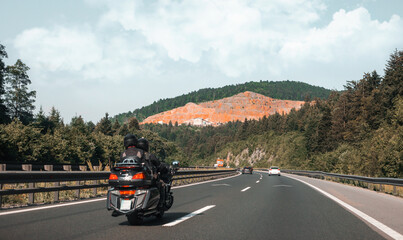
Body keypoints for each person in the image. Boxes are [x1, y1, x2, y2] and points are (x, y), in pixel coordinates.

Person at [136, 137, 171, 208]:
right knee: (162, 185)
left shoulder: (135, 156)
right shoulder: (149, 156)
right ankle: (161, 204)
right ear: (146, 146)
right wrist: (164, 169)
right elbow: (159, 165)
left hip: (136, 178)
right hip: (149, 178)